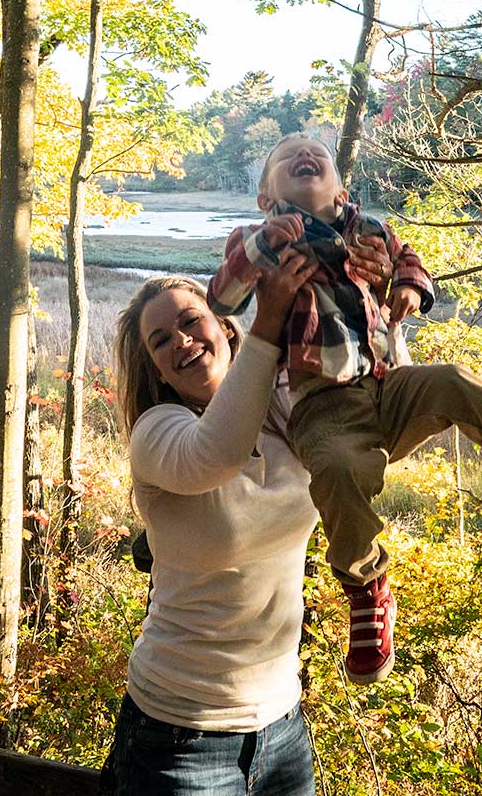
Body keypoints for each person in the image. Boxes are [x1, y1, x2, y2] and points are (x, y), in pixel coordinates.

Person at [208, 134, 482, 685]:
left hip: (389, 384)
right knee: (337, 470)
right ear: (266, 196)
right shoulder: (255, 240)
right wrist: (262, 245)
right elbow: (222, 298)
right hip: (323, 401)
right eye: (287, 159)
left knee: (452, 380)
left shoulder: (372, 231)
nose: (304, 157)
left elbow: (411, 263)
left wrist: (405, 287)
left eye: (318, 155)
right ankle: (365, 587)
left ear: (342, 185)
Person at [103, 239, 379, 795]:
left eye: (190, 321)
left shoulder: (290, 412)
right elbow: (219, 452)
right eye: (161, 341)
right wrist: (269, 320)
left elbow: (376, 419)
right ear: (156, 368)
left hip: (282, 728)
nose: (180, 340)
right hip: (176, 735)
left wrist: (372, 291)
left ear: (224, 327)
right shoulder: (156, 434)